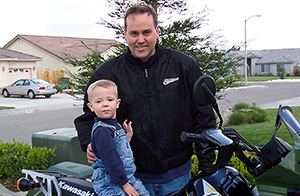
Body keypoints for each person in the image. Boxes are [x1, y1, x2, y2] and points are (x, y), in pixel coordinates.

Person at [75, 4, 216, 196]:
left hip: (177, 176)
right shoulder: (107, 74)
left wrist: (206, 165)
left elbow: (203, 117)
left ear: (157, 32)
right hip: (130, 180)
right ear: (125, 34)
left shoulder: (183, 66)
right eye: (134, 33)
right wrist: (89, 143)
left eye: (147, 32)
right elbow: (86, 118)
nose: (140, 40)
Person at [87, 79, 149, 196]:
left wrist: (127, 138)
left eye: (109, 100)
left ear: (117, 103)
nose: (105, 104)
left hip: (126, 177)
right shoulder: (102, 131)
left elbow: (117, 148)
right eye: (99, 101)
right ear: (91, 106)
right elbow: (111, 160)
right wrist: (125, 184)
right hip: (109, 181)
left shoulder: (113, 125)